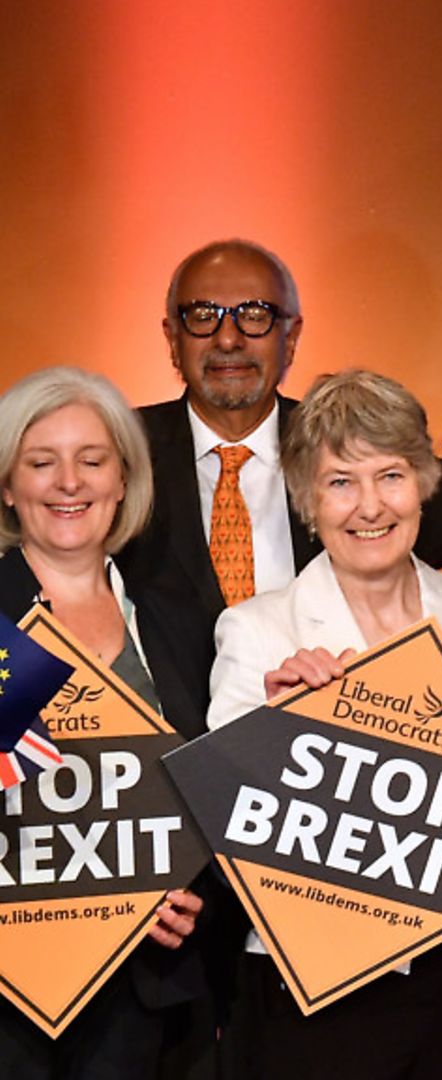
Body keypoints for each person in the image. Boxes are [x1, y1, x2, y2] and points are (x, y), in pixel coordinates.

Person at [205, 370, 442, 1080]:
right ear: (307, 499)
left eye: (392, 475)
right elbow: (227, 828)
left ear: (425, 481)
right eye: (341, 481)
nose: (370, 505)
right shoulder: (256, 630)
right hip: (315, 988)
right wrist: (281, 736)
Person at [116, 239, 442, 622]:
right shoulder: (114, 453)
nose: (227, 338)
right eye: (202, 317)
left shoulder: (352, 444)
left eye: (255, 315)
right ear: (171, 337)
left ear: (292, 335)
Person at [0, 368, 211, 1079]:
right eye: (41, 462)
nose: (69, 482)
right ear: (7, 485)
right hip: (14, 1010)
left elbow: (213, 792)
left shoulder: (183, 619)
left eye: (92, 460)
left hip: (155, 1004)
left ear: (124, 480)